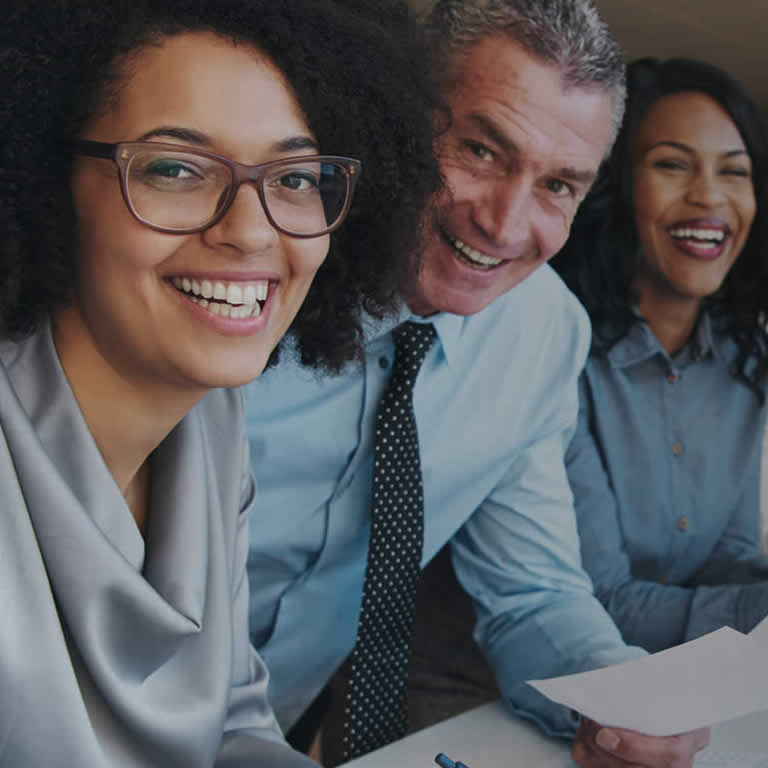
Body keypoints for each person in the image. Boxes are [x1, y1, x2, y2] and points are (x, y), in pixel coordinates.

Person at [244, 0, 709, 766]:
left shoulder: (544, 334)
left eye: (559, 185)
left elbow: (533, 593)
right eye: (482, 151)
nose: (504, 223)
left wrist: (617, 696)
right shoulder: (251, 268)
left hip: (281, 732)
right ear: (397, 115)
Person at [0, 0, 439, 765]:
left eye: (296, 177)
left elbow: (233, 721)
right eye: (175, 168)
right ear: (40, 175)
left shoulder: (211, 419)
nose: (251, 230)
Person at [551, 57, 768, 652]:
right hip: (496, 701)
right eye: (672, 165)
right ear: (615, 187)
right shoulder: (558, 353)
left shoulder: (745, 362)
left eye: (735, 172)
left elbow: (729, 558)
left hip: (662, 691)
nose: (709, 198)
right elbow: (602, 603)